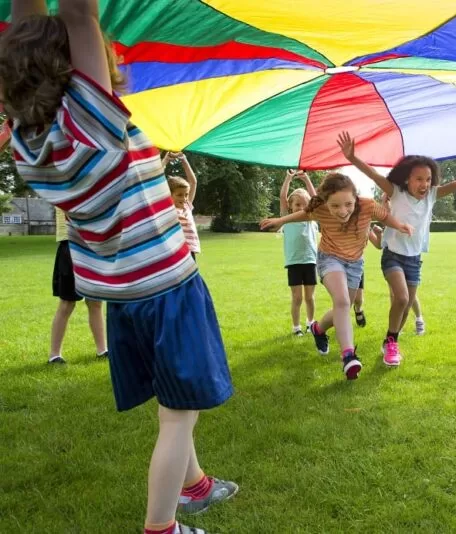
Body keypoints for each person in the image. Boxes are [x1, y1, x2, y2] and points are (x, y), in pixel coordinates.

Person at [0, 3, 237, 532]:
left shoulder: (27, 143)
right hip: (167, 288)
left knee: (174, 400)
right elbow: (81, 13)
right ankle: (162, 526)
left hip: (122, 293)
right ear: (78, 73)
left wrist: (28, 33)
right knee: (179, 416)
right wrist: (73, 25)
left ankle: (195, 487)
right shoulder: (93, 123)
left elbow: (27, 30)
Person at [339, 131, 456, 365]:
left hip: (414, 259)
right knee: (401, 298)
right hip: (392, 255)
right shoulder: (396, 192)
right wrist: (352, 158)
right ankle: (392, 343)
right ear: (407, 180)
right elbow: (372, 175)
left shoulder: (432, 195)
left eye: (428, 179)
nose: (425, 184)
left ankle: (390, 340)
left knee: (405, 306)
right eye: (419, 179)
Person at [260, 172, 413, 379]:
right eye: (335, 206)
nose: (342, 211)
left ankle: (318, 329)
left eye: (348, 204)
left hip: (355, 263)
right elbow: (302, 214)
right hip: (329, 259)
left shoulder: (367, 205)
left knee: (343, 307)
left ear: (356, 198)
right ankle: (349, 356)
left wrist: (400, 226)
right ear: (326, 203)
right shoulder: (320, 209)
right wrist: (281, 221)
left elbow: (385, 216)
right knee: (341, 301)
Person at [47, 208, 108, 364]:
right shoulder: (64, 190)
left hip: (92, 247)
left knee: (95, 302)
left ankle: (102, 350)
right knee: (67, 303)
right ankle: (54, 355)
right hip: (70, 246)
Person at [279, 170, 318, 336]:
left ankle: (310, 323)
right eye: (297, 205)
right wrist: (288, 177)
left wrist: (306, 178)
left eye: (304, 205)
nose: (301, 208)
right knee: (297, 298)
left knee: (309, 297)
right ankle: (296, 327)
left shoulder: (312, 218)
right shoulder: (286, 219)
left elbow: (316, 199)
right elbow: (282, 196)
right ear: (290, 206)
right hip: (294, 263)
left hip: (310, 261)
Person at [164, 152, 201, 260]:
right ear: (169, 194)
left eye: (186, 194)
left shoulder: (187, 206)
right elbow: (155, 180)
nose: (184, 198)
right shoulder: (168, 208)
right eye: (179, 195)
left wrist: (184, 160)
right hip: (175, 250)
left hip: (190, 251)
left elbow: (193, 182)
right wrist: (165, 161)